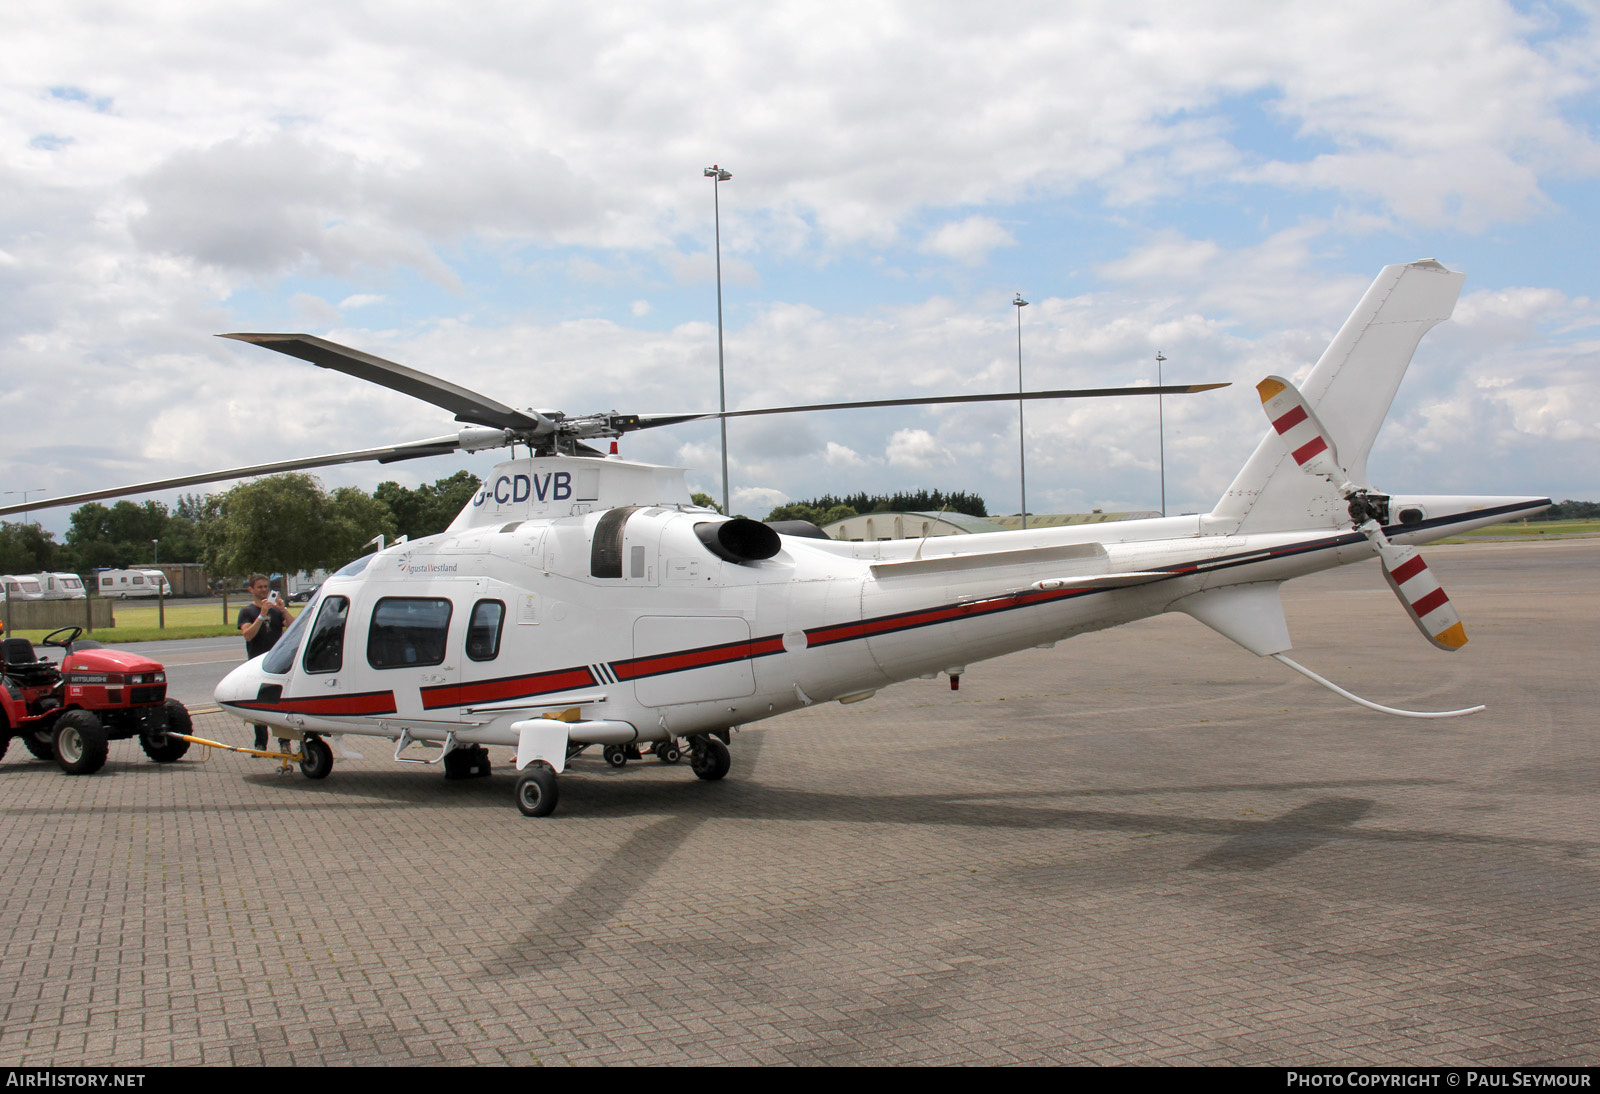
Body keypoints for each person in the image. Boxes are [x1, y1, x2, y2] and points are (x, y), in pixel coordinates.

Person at [237, 573, 289, 751]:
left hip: (278, 664)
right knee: (258, 705)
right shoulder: (246, 612)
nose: (264, 590)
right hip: (256, 664)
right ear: (251, 589)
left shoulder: (275, 610)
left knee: (279, 704)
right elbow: (248, 635)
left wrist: (283, 610)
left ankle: (284, 742)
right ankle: (260, 744)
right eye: (260, 587)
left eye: (266, 587)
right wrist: (261, 615)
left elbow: (294, 626)